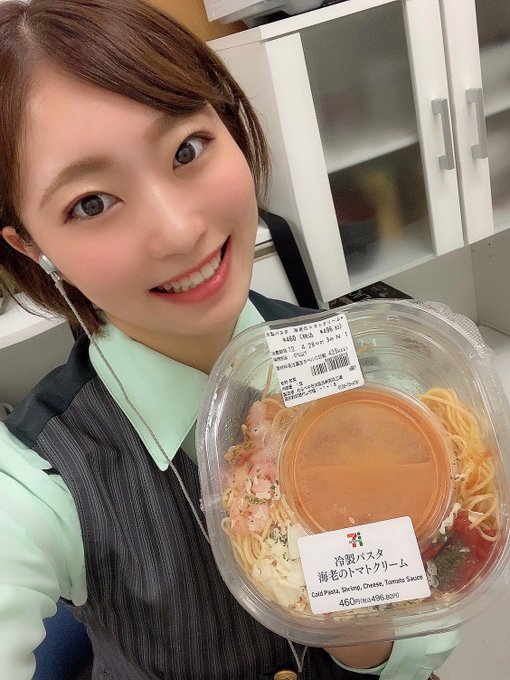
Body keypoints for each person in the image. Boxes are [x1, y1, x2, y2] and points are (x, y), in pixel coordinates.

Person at [0, 1, 459, 678]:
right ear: (33, 248)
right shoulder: (39, 479)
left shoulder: (347, 355)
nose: (180, 231)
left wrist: (371, 635)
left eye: (187, 149)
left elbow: (435, 606)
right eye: (91, 203)